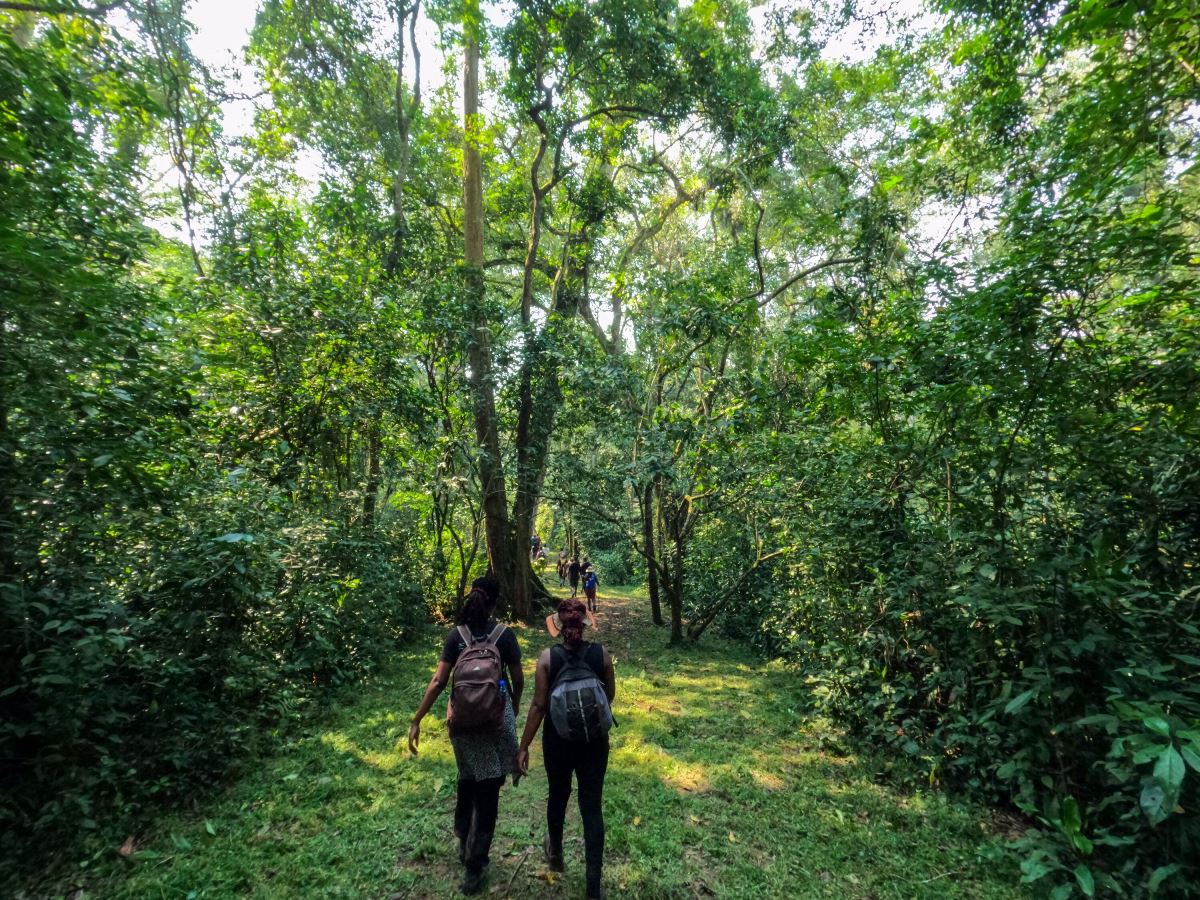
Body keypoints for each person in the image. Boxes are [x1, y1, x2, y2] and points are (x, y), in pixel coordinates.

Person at [408, 576, 523, 895]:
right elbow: (518, 679)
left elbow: (437, 682)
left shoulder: (455, 636)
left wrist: (417, 719)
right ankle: (475, 866)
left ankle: (462, 834)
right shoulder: (504, 636)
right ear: (495, 602)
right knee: (489, 789)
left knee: (467, 775)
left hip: (460, 725)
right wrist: (511, 709)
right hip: (493, 723)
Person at [518, 599, 616, 900]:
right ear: (585, 624)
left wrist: (523, 747)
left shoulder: (548, 659)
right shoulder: (602, 655)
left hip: (557, 741)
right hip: (595, 744)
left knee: (558, 796)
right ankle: (593, 887)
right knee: (591, 807)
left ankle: (557, 854)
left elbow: (538, 706)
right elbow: (608, 698)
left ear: (559, 627)